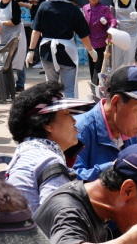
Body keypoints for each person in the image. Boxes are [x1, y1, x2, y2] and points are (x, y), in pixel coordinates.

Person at [6, 81, 90, 211]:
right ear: (47, 124)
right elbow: (58, 218)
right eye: (67, 114)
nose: (74, 121)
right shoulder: (49, 161)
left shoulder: (29, 150)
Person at [71, 66, 137, 179]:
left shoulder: (128, 128)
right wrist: (115, 167)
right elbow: (71, 180)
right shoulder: (77, 131)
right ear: (116, 103)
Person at [28, 0, 96, 98]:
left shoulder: (44, 6)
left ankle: (53, 115)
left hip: (46, 51)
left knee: (51, 90)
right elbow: (83, 35)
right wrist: (90, 50)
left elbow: (36, 30)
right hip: (67, 53)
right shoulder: (73, 9)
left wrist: (31, 50)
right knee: (68, 89)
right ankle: (69, 114)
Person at [82, 0, 118, 79]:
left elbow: (113, 21)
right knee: (91, 66)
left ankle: (95, 87)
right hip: (89, 42)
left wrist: (110, 28)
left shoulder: (104, 8)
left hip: (100, 41)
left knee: (98, 67)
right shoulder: (85, 8)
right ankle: (94, 86)